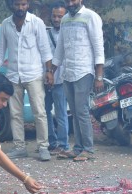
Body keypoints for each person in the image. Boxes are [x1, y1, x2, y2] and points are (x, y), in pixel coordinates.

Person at [0, 0, 53, 162]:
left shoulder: (36, 22)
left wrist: (49, 71)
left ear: (28, 5)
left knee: (39, 112)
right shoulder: (6, 24)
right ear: (11, 5)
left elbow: (45, 49)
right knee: (15, 113)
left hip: (34, 74)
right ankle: (19, 147)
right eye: (17, 4)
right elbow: (0, 50)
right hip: (13, 75)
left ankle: (43, 147)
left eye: (24, 4)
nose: (20, 8)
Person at [52, 0, 105, 162]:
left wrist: (99, 76)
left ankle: (88, 149)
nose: (70, 3)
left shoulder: (91, 16)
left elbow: (98, 47)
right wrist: (51, 71)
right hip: (67, 71)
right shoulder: (65, 19)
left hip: (84, 71)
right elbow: (60, 47)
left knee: (81, 110)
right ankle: (78, 148)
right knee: (74, 112)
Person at [45, 2, 69, 154]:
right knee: (45, 112)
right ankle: (51, 142)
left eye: (59, 16)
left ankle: (63, 144)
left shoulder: (67, 33)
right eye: (54, 16)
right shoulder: (46, 34)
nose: (56, 19)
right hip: (47, 78)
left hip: (61, 79)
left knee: (61, 113)